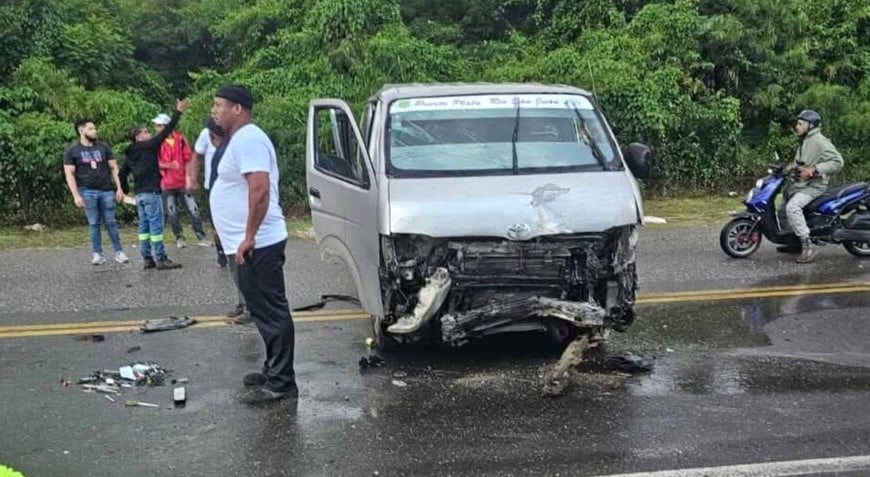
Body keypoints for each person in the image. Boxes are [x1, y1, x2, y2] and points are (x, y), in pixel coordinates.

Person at [210, 85, 297, 404]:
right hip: (247, 242)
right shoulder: (239, 140)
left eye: (219, 105)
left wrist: (248, 237)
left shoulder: (249, 138)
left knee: (271, 311)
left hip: (258, 243)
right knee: (262, 311)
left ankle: (282, 383)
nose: (214, 111)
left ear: (237, 109)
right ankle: (274, 368)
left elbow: (259, 190)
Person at [119, 99, 191, 270]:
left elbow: (122, 173)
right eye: (145, 132)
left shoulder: (130, 153)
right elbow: (167, 131)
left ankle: (146, 257)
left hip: (139, 194)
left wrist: (125, 190)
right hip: (152, 192)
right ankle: (161, 258)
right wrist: (178, 112)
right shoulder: (149, 146)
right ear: (138, 137)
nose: (149, 133)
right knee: (156, 226)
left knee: (143, 226)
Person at [193, 117, 250, 322]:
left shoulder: (232, 152)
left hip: (237, 220)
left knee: (241, 264)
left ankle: (250, 307)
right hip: (227, 219)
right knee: (234, 262)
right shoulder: (222, 152)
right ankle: (243, 304)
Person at [63, 119, 130, 265]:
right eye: (91, 128)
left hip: (106, 190)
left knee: (111, 222)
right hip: (87, 191)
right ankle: (97, 253)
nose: (95, 131)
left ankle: (119, 252)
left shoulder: (103, 147)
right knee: (94, 223)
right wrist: (76, 195)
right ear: (81, 131)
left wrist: (119, 188)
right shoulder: (73, 151)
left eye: (94, 128)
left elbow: (114, 168)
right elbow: (69, 174)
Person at [784, 109, 844, 264]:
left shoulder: (819, 141)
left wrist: (815, 169)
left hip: (813, 186)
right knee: (782, 208)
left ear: (809, 125)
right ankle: (794, 242)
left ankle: (808, 247)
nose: (796, 126)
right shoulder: (806, 140)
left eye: (800, 124)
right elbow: (800, 162)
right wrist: (787, 168)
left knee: (792, 208)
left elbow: (838, 162)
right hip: (800, 185)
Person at [153, 113, 209, 249]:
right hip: (166, 184)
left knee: (193, 209)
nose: (156, 128)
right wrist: (168, 166)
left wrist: (189, 177)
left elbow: (188, 159)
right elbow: (153, 162)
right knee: (172, 212)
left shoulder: (181, 140)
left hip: (182, 182)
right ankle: (179, 237)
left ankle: (201, 236)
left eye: (159, 125)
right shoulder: (156, 143)